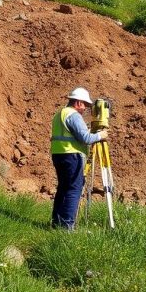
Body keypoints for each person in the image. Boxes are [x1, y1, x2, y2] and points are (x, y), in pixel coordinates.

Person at [50, 87, 108, 229]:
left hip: (59, 154)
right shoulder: (74, 115)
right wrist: (101, 135)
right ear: (78, 103)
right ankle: (67, 227)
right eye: (85, 105)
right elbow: (85, 138)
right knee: (74, 189)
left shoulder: (60, 114)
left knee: (63, 188)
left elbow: (74, 134)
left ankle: (56, 223)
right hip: (72, 156)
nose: (85, 109)